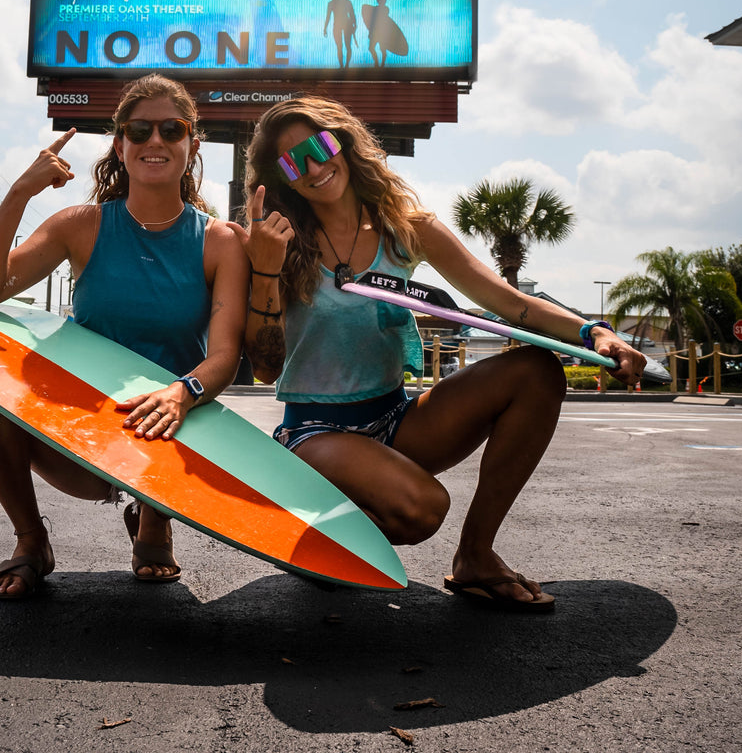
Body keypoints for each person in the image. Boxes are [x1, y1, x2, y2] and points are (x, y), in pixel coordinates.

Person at [230, 96, 645, 612]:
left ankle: (476, 556)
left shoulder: (407, 228)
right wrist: (266, 269)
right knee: (423, 510)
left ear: (344, 142)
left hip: (395, 418)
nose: (314, 167)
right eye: (295, 162)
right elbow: (267, 369)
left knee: (537, 372)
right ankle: (307, 534)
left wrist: (595, 332)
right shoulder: (277, 241)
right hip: (314, 433)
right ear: (283, 177)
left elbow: (508, 302)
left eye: (320, 146)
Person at [0, 73, 249, 599]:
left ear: (192, 143)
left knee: (172, 412)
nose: (154, 141)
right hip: (82, 428)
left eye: (171, 129)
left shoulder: (221, 240)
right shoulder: (80, 225)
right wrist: (22, 191)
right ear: (120, 145)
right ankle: (31, 541)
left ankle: (155, 522)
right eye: (138, 131)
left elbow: (225, 355)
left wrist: (183, 393)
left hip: (166, 430)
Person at [323, 0, 357, 69]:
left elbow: (352, 15)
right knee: (341, 46)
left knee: (346, 46)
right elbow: (328, 17)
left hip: (346, 25)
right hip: (339, 25)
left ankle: (346, 65)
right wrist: (325, 28)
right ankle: (343, 65)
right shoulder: (332, 3)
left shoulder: (346, 2)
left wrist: (355, 25)